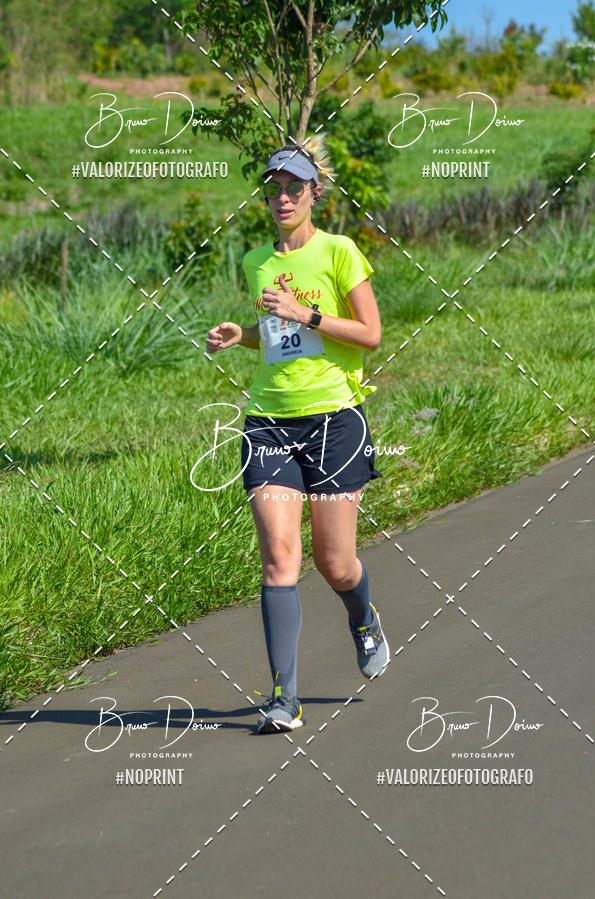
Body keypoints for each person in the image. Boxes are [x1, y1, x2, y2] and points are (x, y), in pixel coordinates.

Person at [206, 135, 390, 734]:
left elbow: (370, 334)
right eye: (274, 188)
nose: (282, 197)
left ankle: (363, 620)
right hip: (268, 422)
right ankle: (284, 698)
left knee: (335, 564)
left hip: (335, 420)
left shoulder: (340, 252)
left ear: (315, 192)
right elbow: (278, 335)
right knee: (280, 558)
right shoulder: (258, 259)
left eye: (294, 187)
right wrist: (247, 336)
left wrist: (305, 313)